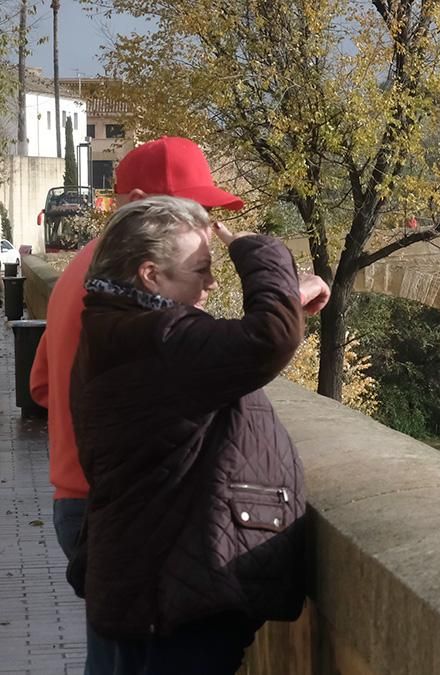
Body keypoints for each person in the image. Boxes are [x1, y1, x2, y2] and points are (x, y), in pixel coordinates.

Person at [70, 195, 328, 673]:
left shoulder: (120, 328)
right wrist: (257, 251)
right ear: (151, 275)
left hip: (156, 575)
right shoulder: (153, 339)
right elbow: (268, 337)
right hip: (173, 590)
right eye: (200, 269)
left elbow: (218, 355)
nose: (211, 283)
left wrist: (285, 297)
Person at [30, 136, 248, 673]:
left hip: (80, 498)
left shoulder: (84, 276)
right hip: (116, 507)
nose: (202, 225)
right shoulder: (115, 294)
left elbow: (40, 386)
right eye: (188, 210)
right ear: (138, 203)